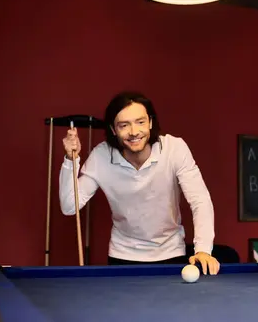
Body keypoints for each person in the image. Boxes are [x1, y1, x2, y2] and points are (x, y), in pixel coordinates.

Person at [59, 91, 220, 275]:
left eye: (140, 122)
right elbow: (69, 206)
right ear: (113, 129)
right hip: (122, 257)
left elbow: (200, 200)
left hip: (172, 253)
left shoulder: (174, 149)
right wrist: (70, 160)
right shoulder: (101, 156)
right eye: (124, 125)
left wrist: (203, 250)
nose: (134, 132)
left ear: (150, 123)